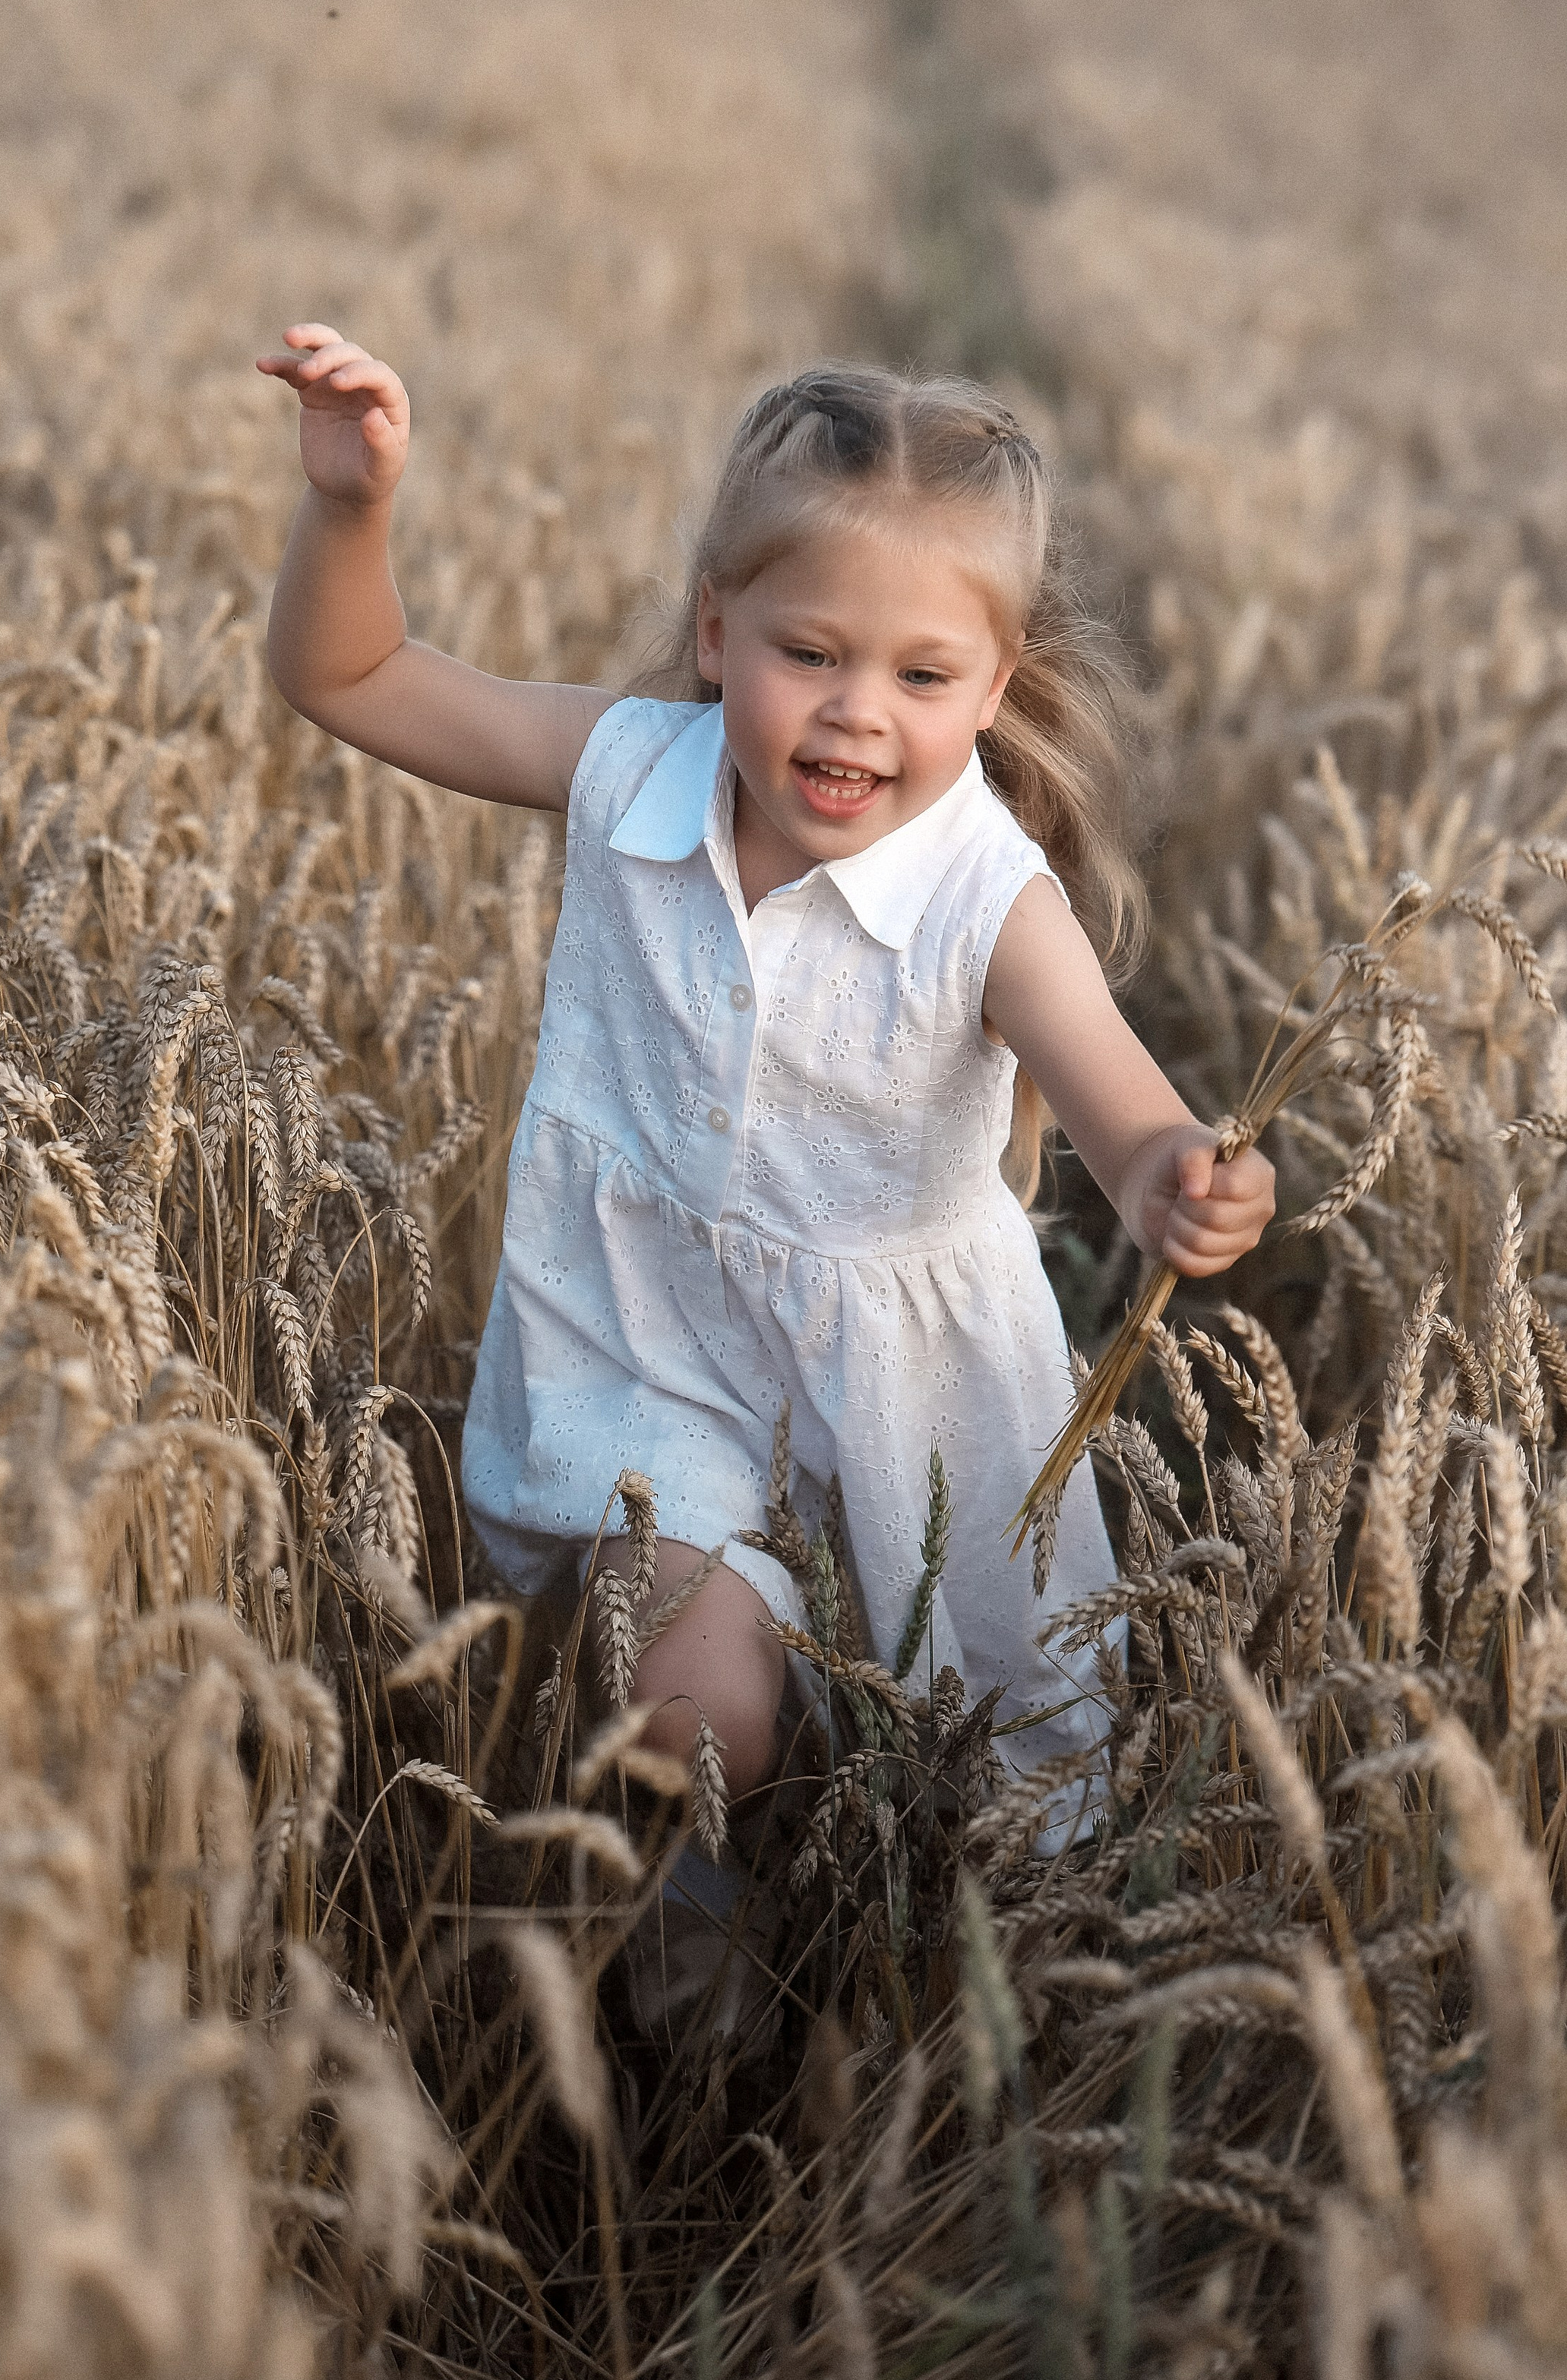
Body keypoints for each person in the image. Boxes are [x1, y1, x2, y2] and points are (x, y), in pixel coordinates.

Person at [257, 326, 1275, 1886]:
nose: (856, 712)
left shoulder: (985, 902)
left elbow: (1117, 1096)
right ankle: (695, 1982)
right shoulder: (625, 774)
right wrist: (351, 504)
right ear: (715, 628)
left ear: (992, 686)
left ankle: (934, 2011)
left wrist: (1167, 1178)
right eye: (811, 653)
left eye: (921, 675)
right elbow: (350, 675)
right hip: (656, 1350)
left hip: (914, 1400)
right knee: (690, 1721)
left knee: (991, 1796)